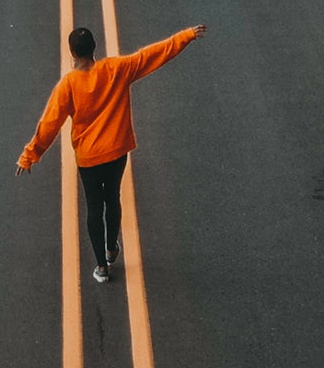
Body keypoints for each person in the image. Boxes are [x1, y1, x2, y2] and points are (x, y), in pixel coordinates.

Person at [17, 22, 204, 283]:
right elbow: (152, 56)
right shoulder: (117, 69)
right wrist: (185, 36)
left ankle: (102, 266)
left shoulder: (68, 85)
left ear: (72, 53)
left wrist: (30, 155)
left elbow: (50, 124)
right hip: (117, 151)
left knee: (94, 207)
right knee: (112, 197)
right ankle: (112, 246)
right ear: (95, 48)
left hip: (89, 159)